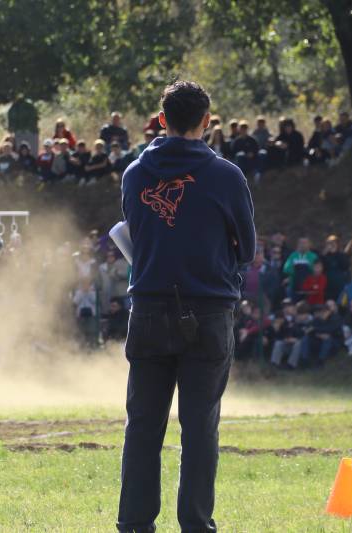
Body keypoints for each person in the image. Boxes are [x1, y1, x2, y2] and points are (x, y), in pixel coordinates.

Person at [118, 80, 255, 533]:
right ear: (207, 123)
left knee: (142, 427)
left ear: (161, 121)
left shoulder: (136, 173)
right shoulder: (227, 176)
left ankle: (135, 524)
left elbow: (137, 235)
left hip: (150, 306)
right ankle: (196, 524)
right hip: (209, 310)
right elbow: (247, 248)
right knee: (199, 430)